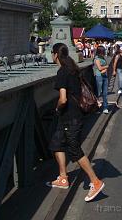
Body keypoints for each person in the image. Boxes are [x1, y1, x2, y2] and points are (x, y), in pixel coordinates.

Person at [46, 43, 105, 202]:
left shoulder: (62, 72)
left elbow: (63, 99)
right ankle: (63, 177)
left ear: (55, 55)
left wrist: (57, 107)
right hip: (73, 115)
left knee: (75, 149)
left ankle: (95, 181)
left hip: (70, 117)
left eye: (52, 53)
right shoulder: (73, 69)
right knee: (57, 143)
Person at [93, 46, 110, 114]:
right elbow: (99, 68)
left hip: (104, 76)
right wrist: (106, 67)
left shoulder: (102, 58)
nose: (104, 53)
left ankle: (105, 107)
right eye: (103, 51)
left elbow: (101, 68)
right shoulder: (97, 58)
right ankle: (96, 107)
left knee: (105, 93)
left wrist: (104, 69)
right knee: (98, 92)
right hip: (99, 76)